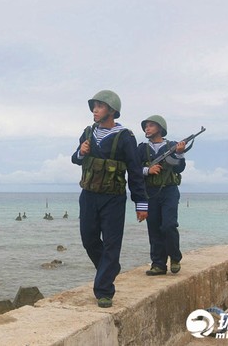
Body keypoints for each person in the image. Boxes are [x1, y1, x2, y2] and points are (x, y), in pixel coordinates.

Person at [71, 90, 148, 308]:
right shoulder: (88, 133)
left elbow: (134, 171)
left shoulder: (125, 136)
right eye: (94, 106)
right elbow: (75, 159)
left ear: (112, 111)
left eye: (100, 106)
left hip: (113, 198)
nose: (95, 110)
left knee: (112, 244)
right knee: (89, 239)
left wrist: (141, 204)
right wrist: (81, 152)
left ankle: (104, 290)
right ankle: (110, 268)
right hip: (88, 196)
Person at [137, 115, 186, 276]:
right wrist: (147, 170)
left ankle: (175, 257)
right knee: (154, 228)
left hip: (169, 190)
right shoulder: (142, 148)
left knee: (169, 225)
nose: (147, 129)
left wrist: (179, 154)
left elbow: (179, 169)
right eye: (146, 126)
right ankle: (158, 264)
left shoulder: (171, 145)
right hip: (150, 192)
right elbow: (133, 170)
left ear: (160, 128)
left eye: (151, 126)